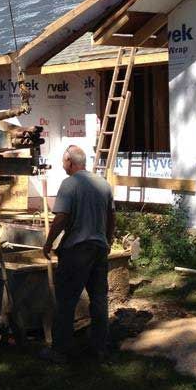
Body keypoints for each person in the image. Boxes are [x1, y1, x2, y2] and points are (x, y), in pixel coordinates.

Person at [41, 144, 115, 364]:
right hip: (99, 248)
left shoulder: (69, 184)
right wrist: (108, 241)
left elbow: (61, 217)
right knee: (99, 299)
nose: (63, 165)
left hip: (76, 250)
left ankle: (60, 350)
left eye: (64, 161)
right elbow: (112, 218)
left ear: (70, 163)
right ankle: (99, 348)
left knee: (66, 300)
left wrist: (48, 243)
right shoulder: (103, 184)